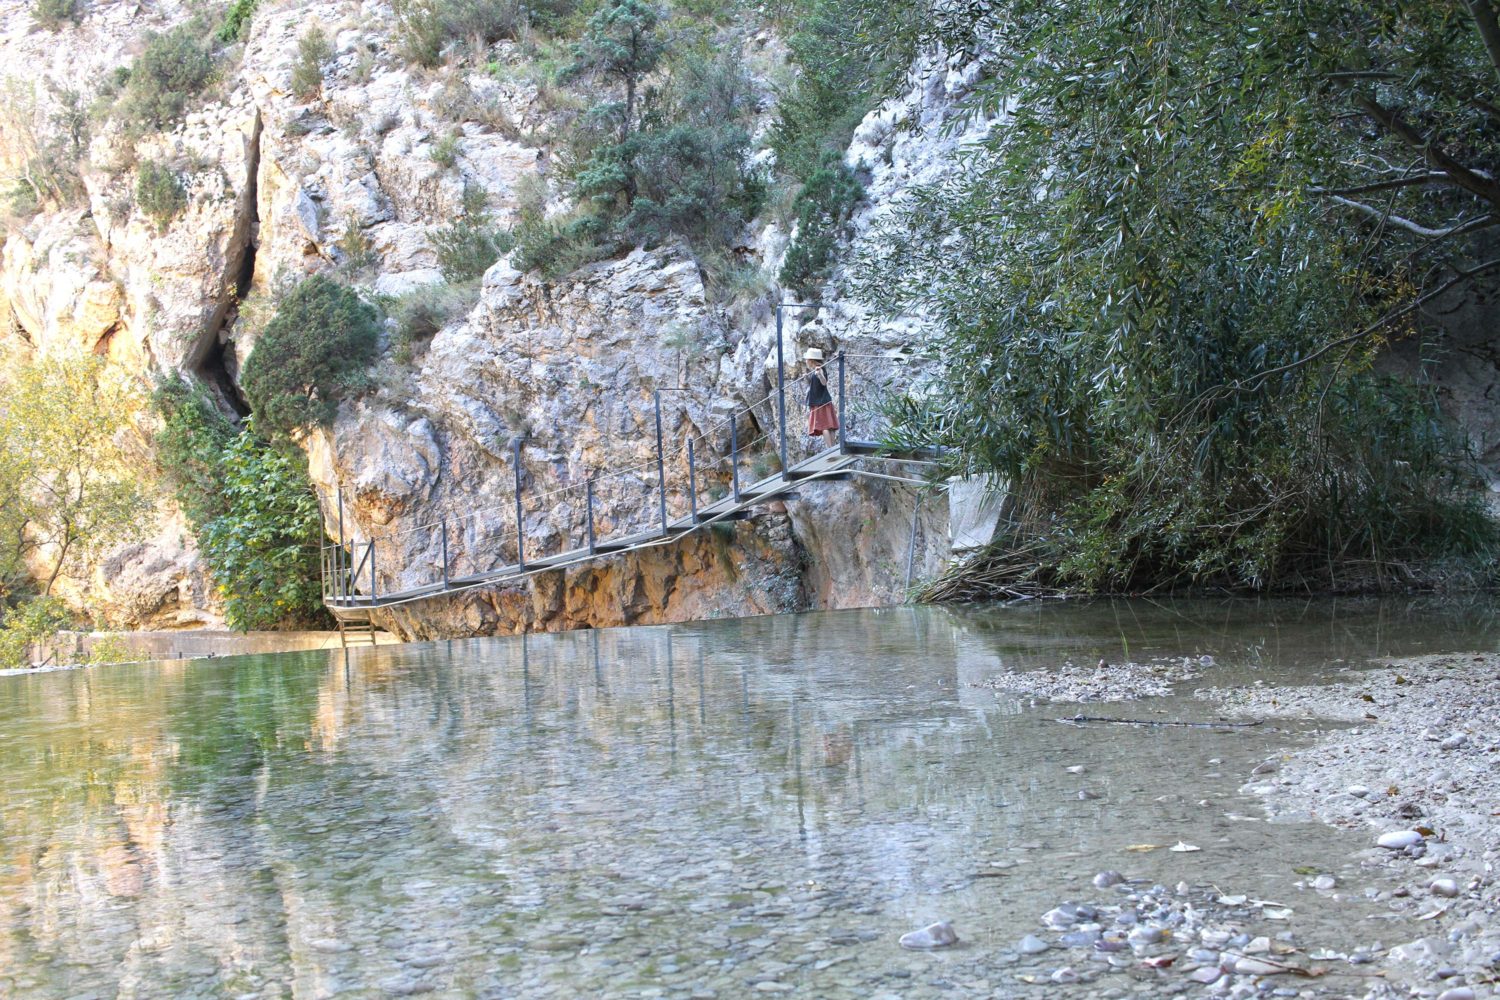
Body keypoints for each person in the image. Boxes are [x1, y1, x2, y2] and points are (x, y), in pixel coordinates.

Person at [804, 348, 839, 449]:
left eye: (807, 359)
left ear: (811, 360)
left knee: (824, 427)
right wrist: (807, 377)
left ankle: (830, 448)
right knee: (829, 426)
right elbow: (816, 385)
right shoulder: (817, 369)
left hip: (820, 403)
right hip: (824, 400)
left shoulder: (819, 369)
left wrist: (819, 375)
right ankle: (833, 447)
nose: (806, 361)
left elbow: (824, 382)